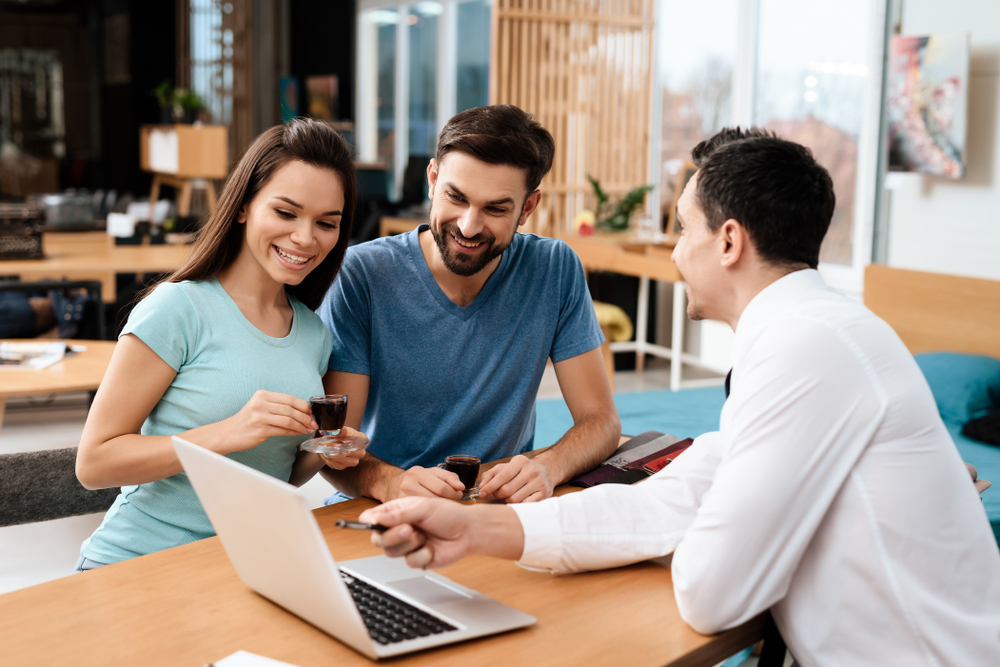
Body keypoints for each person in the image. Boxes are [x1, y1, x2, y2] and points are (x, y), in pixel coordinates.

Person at [358, 128, 1000, 666]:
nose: (672, 251)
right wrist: (475, 530)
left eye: (681, 228)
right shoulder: (813, 332)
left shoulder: (805, 348)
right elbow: (669, 497)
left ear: (727, 242)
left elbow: (711, 592)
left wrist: (706, 525)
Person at [74, 119, 367, 569]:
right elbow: (94, 463)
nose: (306, 238)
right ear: (244, 206)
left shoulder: (313, 332)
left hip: (242, 566)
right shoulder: (179, 308)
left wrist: (322, 451)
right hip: (139, 563)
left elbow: (275, 475)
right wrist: (228, 433)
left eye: (326, 223)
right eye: (286, 213)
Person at [316, 105, 620, 504]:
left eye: (496, 208)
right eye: (455, 197)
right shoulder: (362, 275)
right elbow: (333, 449)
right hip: (384, 508)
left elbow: (601, 421)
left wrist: (550, 466)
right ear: (433, 179)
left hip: (495, 507)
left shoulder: (554, 269)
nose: (469, 226)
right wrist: (390, 483)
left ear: (528, 207)